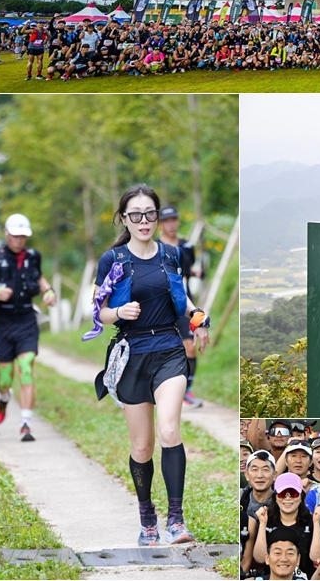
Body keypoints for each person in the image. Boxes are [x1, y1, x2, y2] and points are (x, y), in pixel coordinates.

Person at [90, 184, 209, 545]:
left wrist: (199, 318)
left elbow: (182, 298)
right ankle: (147, 518)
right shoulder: (113, 260)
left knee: (170, 431)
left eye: (150, 214)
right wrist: (118, 312)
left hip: (169, 349)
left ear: (157, 217)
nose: (144, 221)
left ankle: (177, 520)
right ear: (124, 219)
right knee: (142, 446)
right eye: (136, 214)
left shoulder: (172, 254)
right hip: (132, 355)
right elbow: (98, 311)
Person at [0, 213, 57, 440]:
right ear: (6, 233)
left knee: (26, 367)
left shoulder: (33, 256)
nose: (19, 240)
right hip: (2, 322)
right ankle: (4, 397)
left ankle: (26, 424)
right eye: (15, 236)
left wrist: (49, 291)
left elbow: (39, 278)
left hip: (26, 320)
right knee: (5, 379)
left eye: (23, 236)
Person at [156, 206, 203, 407]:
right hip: (160, 305)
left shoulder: (187, 246)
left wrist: (194, 273)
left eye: (173, 219)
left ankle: (186, 392)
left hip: (184, 303)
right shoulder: (154, 246)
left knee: (190, 347)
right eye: (166, 220)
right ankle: (162, 391)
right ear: (160, 223)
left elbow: (185, 270)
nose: (171, 224)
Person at [254, 473, 317, 579]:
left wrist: (317, 523)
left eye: (293, 493)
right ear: (276, 497)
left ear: (301, 497)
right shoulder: (265, 519)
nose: (288, 498)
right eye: (282, 494)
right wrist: (262, 524)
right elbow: (260, 558)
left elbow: (316, 557)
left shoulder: (312, 521)